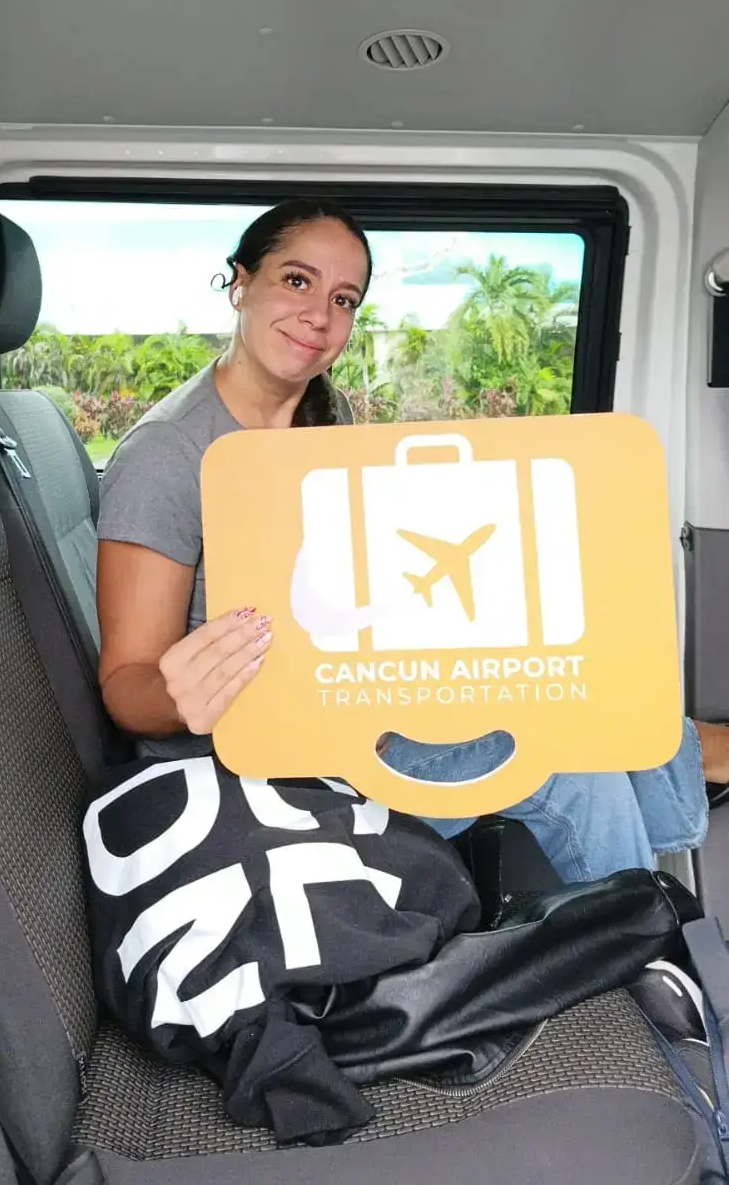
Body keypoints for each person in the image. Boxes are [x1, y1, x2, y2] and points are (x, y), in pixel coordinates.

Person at [96, 196, 729, 883]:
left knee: (565, 676)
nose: (319, 316)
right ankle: (648, 922)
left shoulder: (323, 417)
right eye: (297, 280)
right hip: (270, 756)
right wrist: (179, 697)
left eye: (343, 299)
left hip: (346, 698)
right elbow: (127, 686)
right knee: (570, 764)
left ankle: (673, 797)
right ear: (240, 283)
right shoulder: (167, 453)